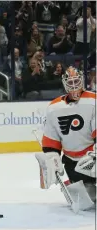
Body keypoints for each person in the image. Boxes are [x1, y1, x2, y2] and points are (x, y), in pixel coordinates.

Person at [36, 66, 96, 205]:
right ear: (64, 84)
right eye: (70, 83)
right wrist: (52, 158)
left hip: (92, 157)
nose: (74, 86)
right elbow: (51, 140)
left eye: (77, 81)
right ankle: (75, 183)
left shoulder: (94, 101)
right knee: (87, 202)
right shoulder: (54, 107)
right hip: (72, 162)